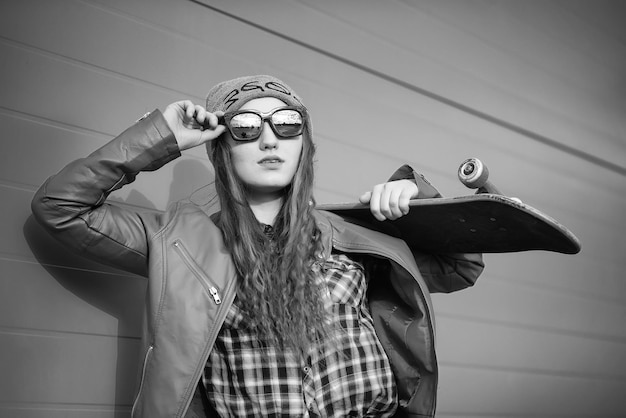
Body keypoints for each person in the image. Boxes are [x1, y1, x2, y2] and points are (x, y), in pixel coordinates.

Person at [31, 75, 484, 418]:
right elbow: (60, 208)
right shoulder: (181, 244)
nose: (269, 138)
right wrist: (161, 135)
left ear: (305, 144)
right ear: (221, 149)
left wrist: (419, 200)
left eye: (288, 124)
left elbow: (462, 266)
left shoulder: (357, 237)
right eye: (246, 127)